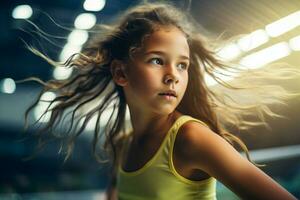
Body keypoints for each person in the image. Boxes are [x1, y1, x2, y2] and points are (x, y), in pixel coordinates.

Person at [23, 1, 300, 200]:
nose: (173, 77)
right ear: (121, 72)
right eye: (157, 60)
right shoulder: (123, 144)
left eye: (182, 65)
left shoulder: (191, 138)